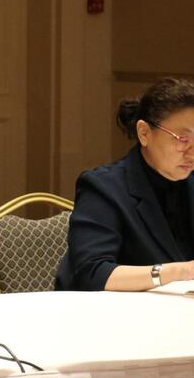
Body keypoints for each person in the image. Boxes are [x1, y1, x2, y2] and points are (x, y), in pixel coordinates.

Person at [56, 78, 194, 291]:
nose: (192, 153)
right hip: (106, 309)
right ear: (144, 133)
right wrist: (180, 272)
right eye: (183, 140)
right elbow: (92, 273)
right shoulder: (104, 187)